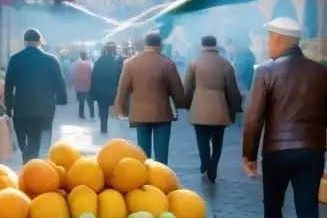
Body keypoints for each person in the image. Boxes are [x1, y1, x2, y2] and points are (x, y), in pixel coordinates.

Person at [242, 17, 327, 218]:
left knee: (273, 206)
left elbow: (253, 118)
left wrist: (249, 154)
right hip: (311, 151)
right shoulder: (321, 72)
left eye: (269, 37)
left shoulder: (265, 71)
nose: (267, 43)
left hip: (276, 152)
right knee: (308, 209)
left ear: (279, 40)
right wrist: (313, 130)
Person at [113, 32, 185, 164]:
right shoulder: (168, 64)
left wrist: (120, 110)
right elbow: (178, 91)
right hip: (162, 113)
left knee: (143, 152)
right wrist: (181, 104)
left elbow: (122, 90)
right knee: (161, 153)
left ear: (145, 45)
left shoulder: (130, 63)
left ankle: (145, 179)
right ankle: (161, 178)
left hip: (140, 114)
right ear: (160, 45)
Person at [182, 35, 242, 183]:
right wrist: (235, 108)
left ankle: (204, 162)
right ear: (216, 46)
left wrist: (188, 104)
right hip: (219, 108)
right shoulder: (225, 64)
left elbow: (187, 89)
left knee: (202, 139)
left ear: (202, 46)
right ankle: (213, 165)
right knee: (217, 140)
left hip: (199, 108)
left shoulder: (194, 64)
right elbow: (232, 90)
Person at [4, 29, 68, 162]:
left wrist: (8, 107)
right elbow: (60, 82)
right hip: (44, 109)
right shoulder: (51, 60)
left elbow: (9, 85)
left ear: (25, 42)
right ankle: (34, 161)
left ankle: (27, 157)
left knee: (23, 136)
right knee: (38, 138)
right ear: (40, 41)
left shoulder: (15, 59)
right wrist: (62, 99)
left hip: (21, 109)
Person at [91, 44, 123, 134]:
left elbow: (94, 77)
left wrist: (93, 93)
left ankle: (104, 128)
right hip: (114, 91)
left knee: (103, 111)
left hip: (101, 92)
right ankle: (118, 132)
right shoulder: (119, 61)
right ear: (115, 50)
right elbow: (122, 77)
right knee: (117, 112)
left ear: (105, 50)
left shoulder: (99, 61)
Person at [72, 51, 95, 119]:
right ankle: (92, 115)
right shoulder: (89, 64)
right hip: (87, 86)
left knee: (81, 103)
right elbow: (92, 75)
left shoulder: (76, 64)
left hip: (78, 86)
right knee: (90, 103)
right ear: (86, 56)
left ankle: (81, 115)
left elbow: (73, 74)